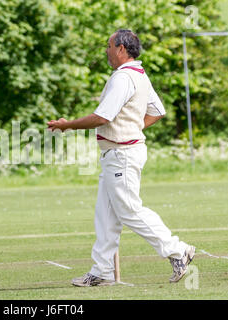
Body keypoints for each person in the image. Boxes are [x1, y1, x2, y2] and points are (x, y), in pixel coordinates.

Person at [47, 29, 195, 286]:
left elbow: (102, 117)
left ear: (121, 49)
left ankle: (177, 249)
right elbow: (157, 111)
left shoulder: (123, 77)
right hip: (119, 153)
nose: (106, 51)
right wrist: (133, 129)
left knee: (128, 210)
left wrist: (67, 125)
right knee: (105, 216)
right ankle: (102, 271)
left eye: (109, 46)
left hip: (122, 154)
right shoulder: (140, 75)